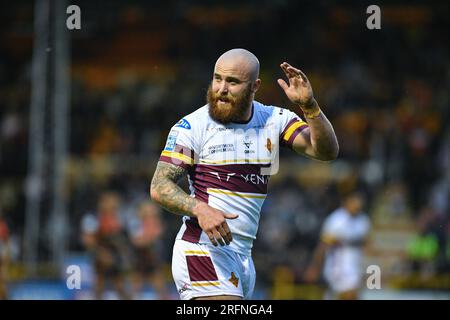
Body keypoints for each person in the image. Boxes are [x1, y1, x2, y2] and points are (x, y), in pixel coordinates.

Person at [150, 48, 339, 300]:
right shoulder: (192, 126)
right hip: (202, 250)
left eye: (233, 82)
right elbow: (159, 186)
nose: (221, 89)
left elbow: (325, 151)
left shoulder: (274, 120)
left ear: (254, 86)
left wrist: (310, 106)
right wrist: (200, 209)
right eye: (217, 78)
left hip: (243, 259)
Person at [304, 192, 371, 300]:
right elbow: (323, 246)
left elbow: (366, 243)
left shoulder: (363, 221)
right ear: (346, 203)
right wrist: (315, 267)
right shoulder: (336, 220)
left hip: (355, 265)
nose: (357, 206)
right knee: (350, 295)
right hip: (338, 266)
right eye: (354, 202)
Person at [81, 192, 132, 299]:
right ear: (102, 203)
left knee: (120, 286)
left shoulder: (119, 217)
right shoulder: (93, 217)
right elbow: (88, 240)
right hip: (100, 255)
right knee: (100, 284)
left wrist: (124, 254)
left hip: (116, 255)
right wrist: (101, 253)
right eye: (111, 203)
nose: (115, 206)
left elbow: (123, 239)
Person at [129, 201, 168, 299]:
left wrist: (147, 239)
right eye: (147, 211)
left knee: (159, 284)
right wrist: (147, 240)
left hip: (153, 257)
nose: (150, 214)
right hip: (140, 258)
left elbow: (157, 235)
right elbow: (136, 241)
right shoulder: (137, 222)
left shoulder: (157, 223)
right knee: (136, 284)